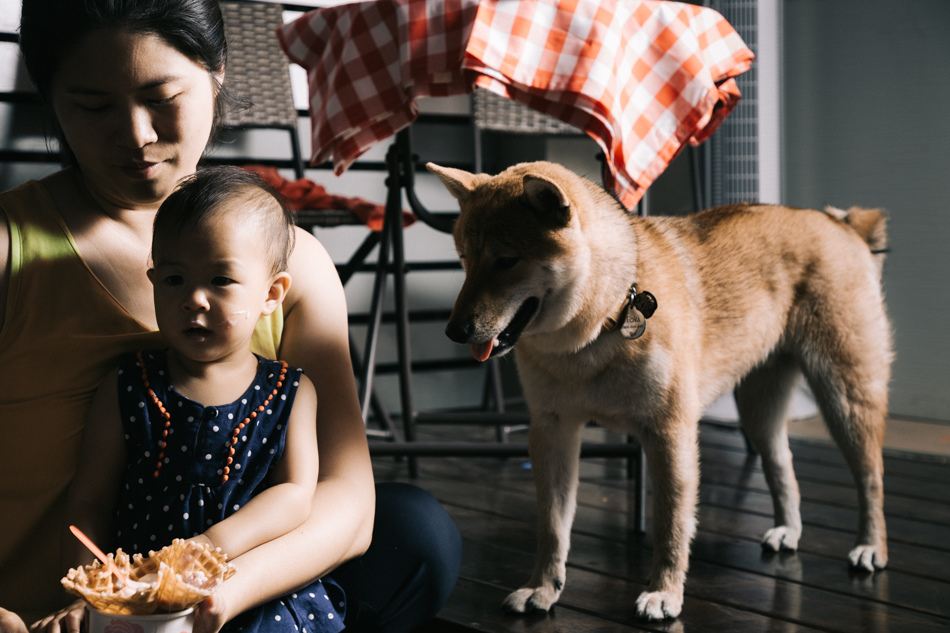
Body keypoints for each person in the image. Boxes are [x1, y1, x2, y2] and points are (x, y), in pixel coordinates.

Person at [0, 2, 461, 632]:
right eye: (92, 105)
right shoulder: (12, 249)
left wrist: (202, 594)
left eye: (161, 98)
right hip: (56, 619)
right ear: (51, 99)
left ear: (216, 72)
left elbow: (348, 503)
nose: (135, 134)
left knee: (415, 534)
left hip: (233, 604)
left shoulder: (296, 263)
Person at [63, 166, 344, 631]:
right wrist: (86, 593)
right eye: (174, 280)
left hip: (252, 592)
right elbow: (89, 502)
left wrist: (212, 545)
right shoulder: (129, 385)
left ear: (271, 294)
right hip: (143, 594)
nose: (194, 299)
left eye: (220, 280)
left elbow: (295, 495)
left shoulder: (291, 391)